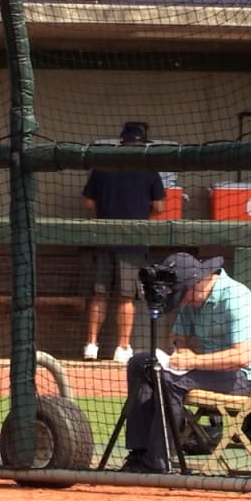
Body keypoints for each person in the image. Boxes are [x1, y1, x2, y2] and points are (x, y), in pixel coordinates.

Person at [122, 252, 251, 473]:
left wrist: (194, 360)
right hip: (208, 370)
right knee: (141, 363)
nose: (181, 301)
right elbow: (177, 337)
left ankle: (158, 460)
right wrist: (181, 353)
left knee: (169, 379)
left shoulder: (236, 298)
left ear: (198, 281)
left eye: (182, 294)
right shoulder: (193, 298)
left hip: (246, 380)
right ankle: (139, 453)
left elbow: (242, 357)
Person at [81, 122, 166, 363]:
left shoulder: (102, 166)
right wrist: (140, 214)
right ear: (142, 144)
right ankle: (122, 348)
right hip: (134, 240)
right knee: (127, 297)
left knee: (100, 294)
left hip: (105, 237)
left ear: (121, 142)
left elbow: (87, 202)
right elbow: (160, 206)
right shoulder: (148, 169)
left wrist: (103, 216)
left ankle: (91, 345)